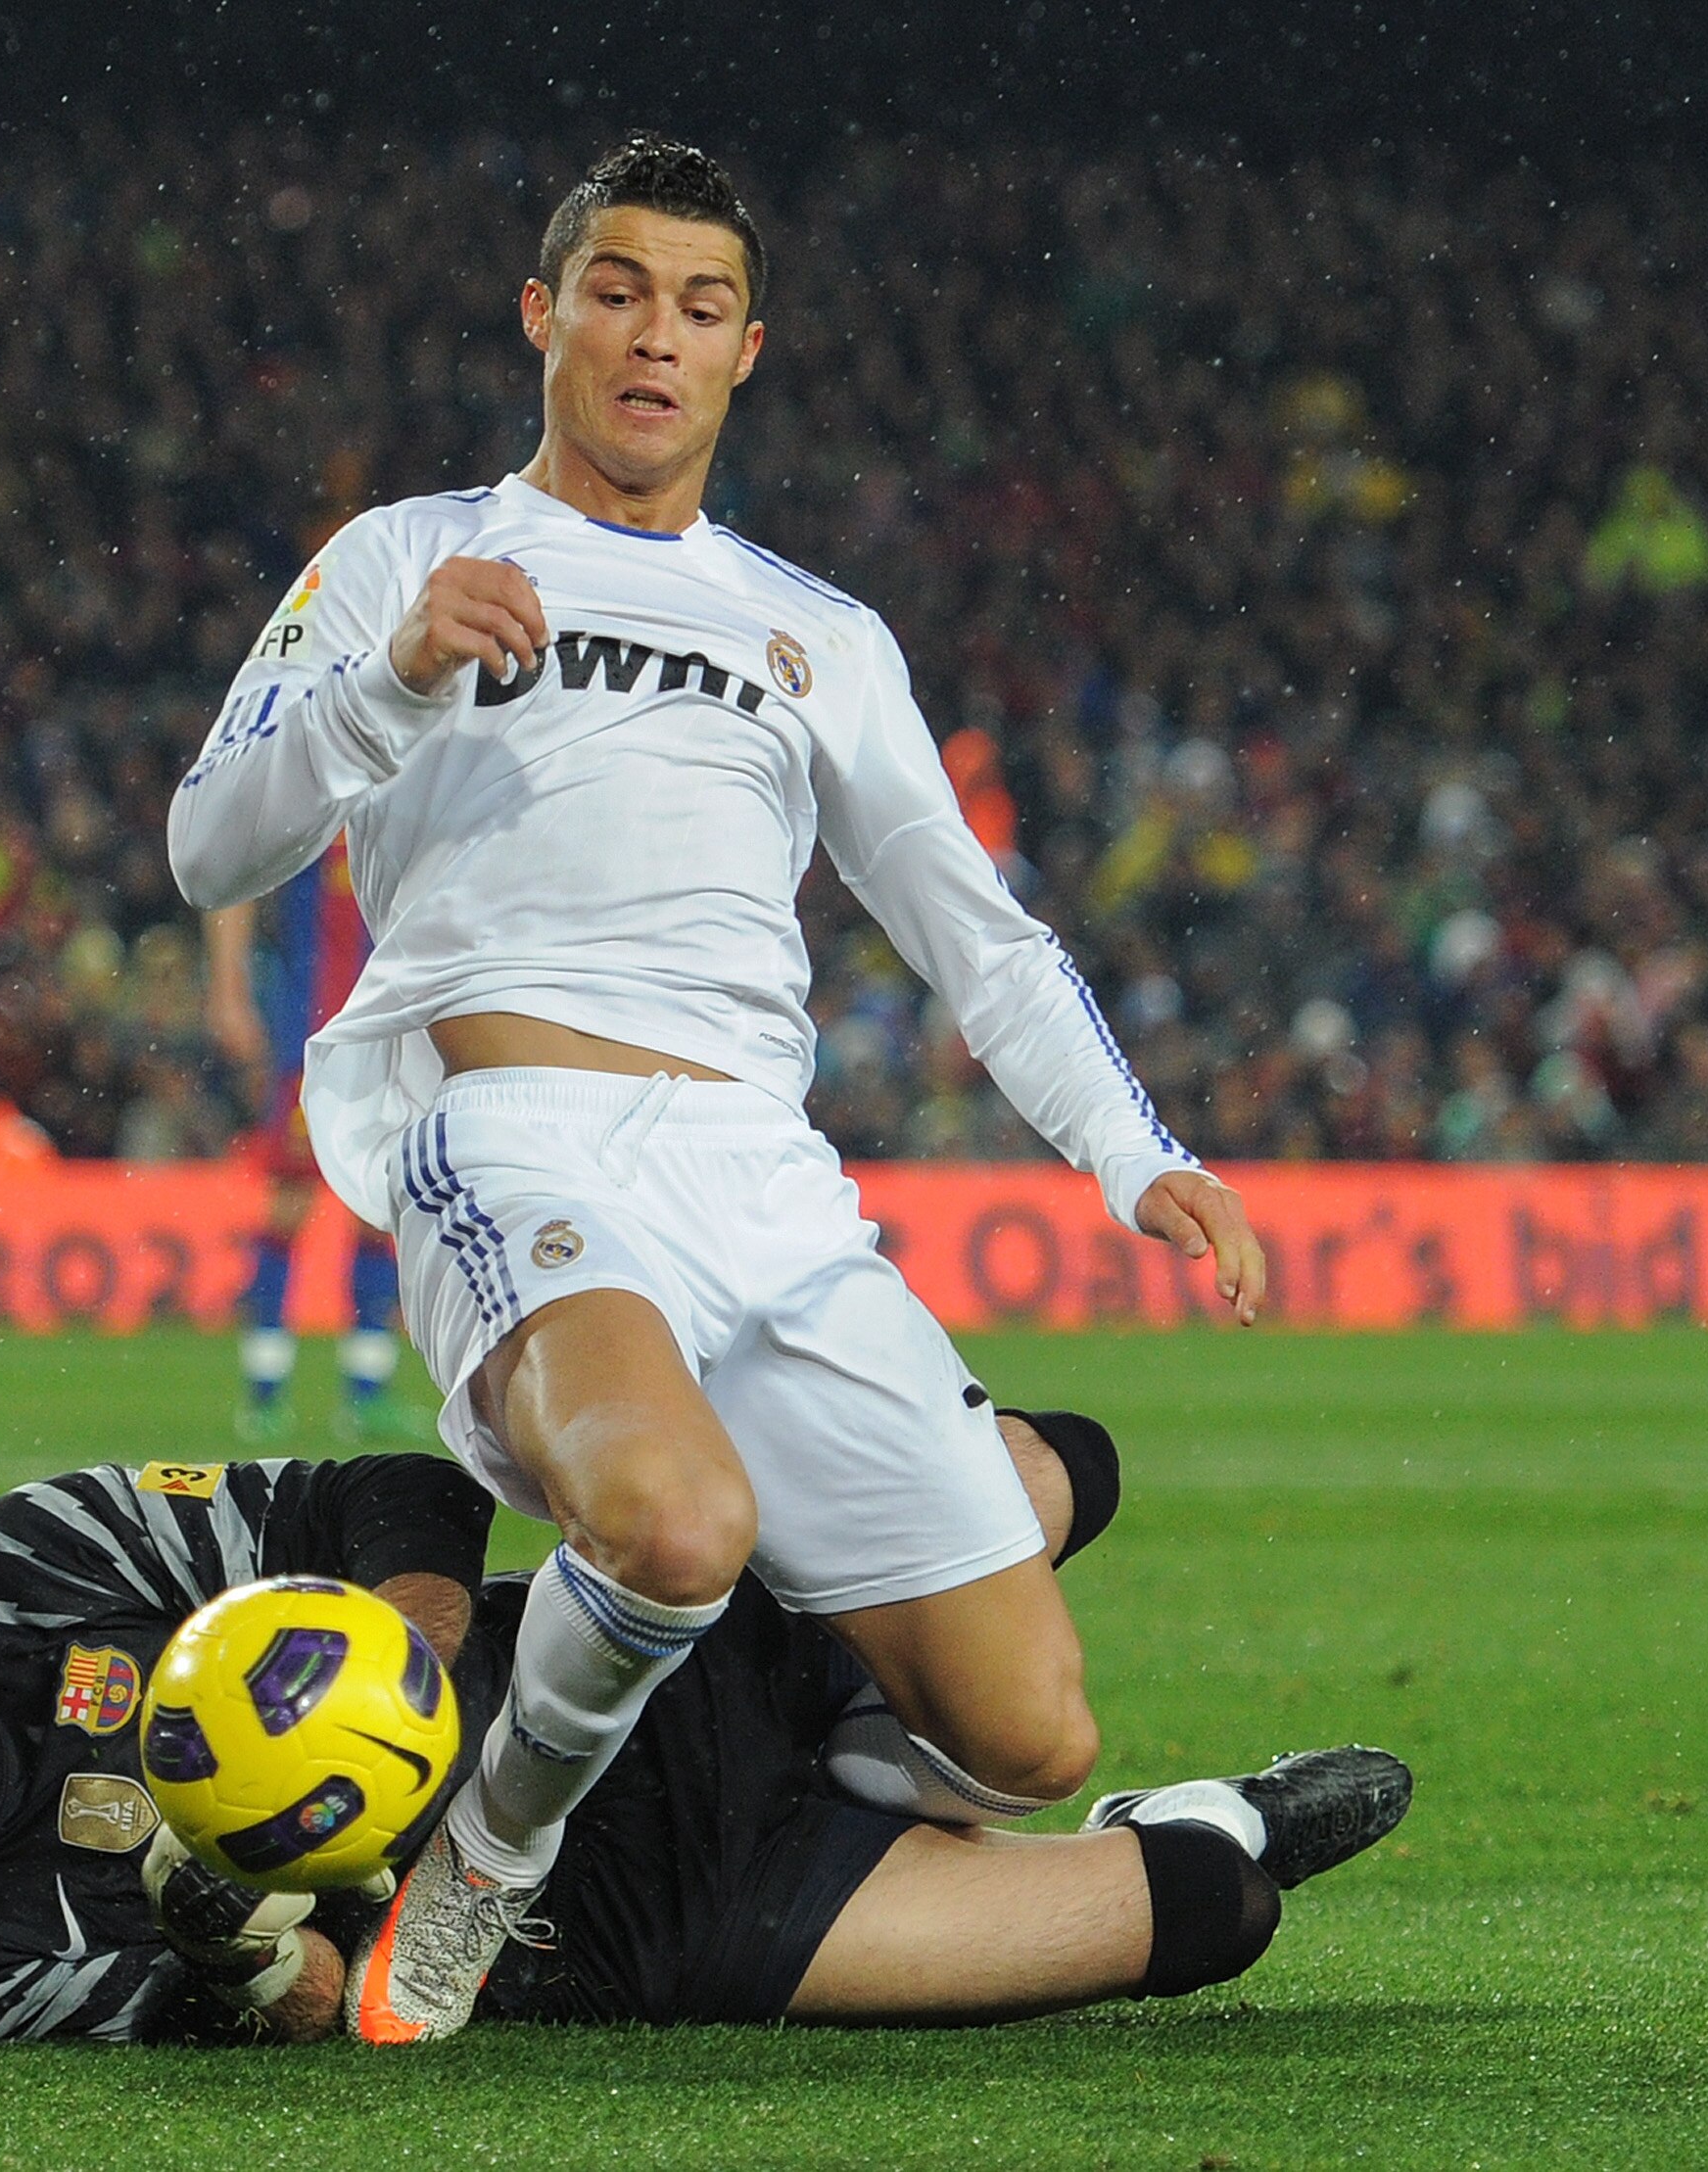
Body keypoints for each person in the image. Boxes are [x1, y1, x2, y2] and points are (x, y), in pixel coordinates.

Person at [165, 133, 1275, 2042]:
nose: (651, 335)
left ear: (745, 349)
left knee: (1022, 1725)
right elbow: (206, 846)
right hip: (514, 1135)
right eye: (614, 290)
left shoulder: (816, 633)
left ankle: (764, 1786)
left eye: (695, 305)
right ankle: (493, 1869)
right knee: (669, 1523)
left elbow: (978, 933)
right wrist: (392, 687)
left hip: (767, 1181)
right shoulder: (402, 562)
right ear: (543, 315)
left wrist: (1133, 1151)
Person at [0, 1426, 1409, 2044]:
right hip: (646, 1921)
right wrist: (243, 1954)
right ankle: (1180, 1816)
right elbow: (316, 2015)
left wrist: (399, 1650)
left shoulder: (35, 1559)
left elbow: (380, 1484)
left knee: (1057, 1466)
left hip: (621, 1665)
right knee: (1207, 1915)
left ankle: (910, 1752)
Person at [201, 832, 419, 1445]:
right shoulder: (318, 809)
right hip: (311, 1034)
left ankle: (367, 1390)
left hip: (390, 1033)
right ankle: (265, 1391)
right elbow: (233, 874)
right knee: (291, 1206)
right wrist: (229, 991)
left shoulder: (402, 807)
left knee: (378, 1205)